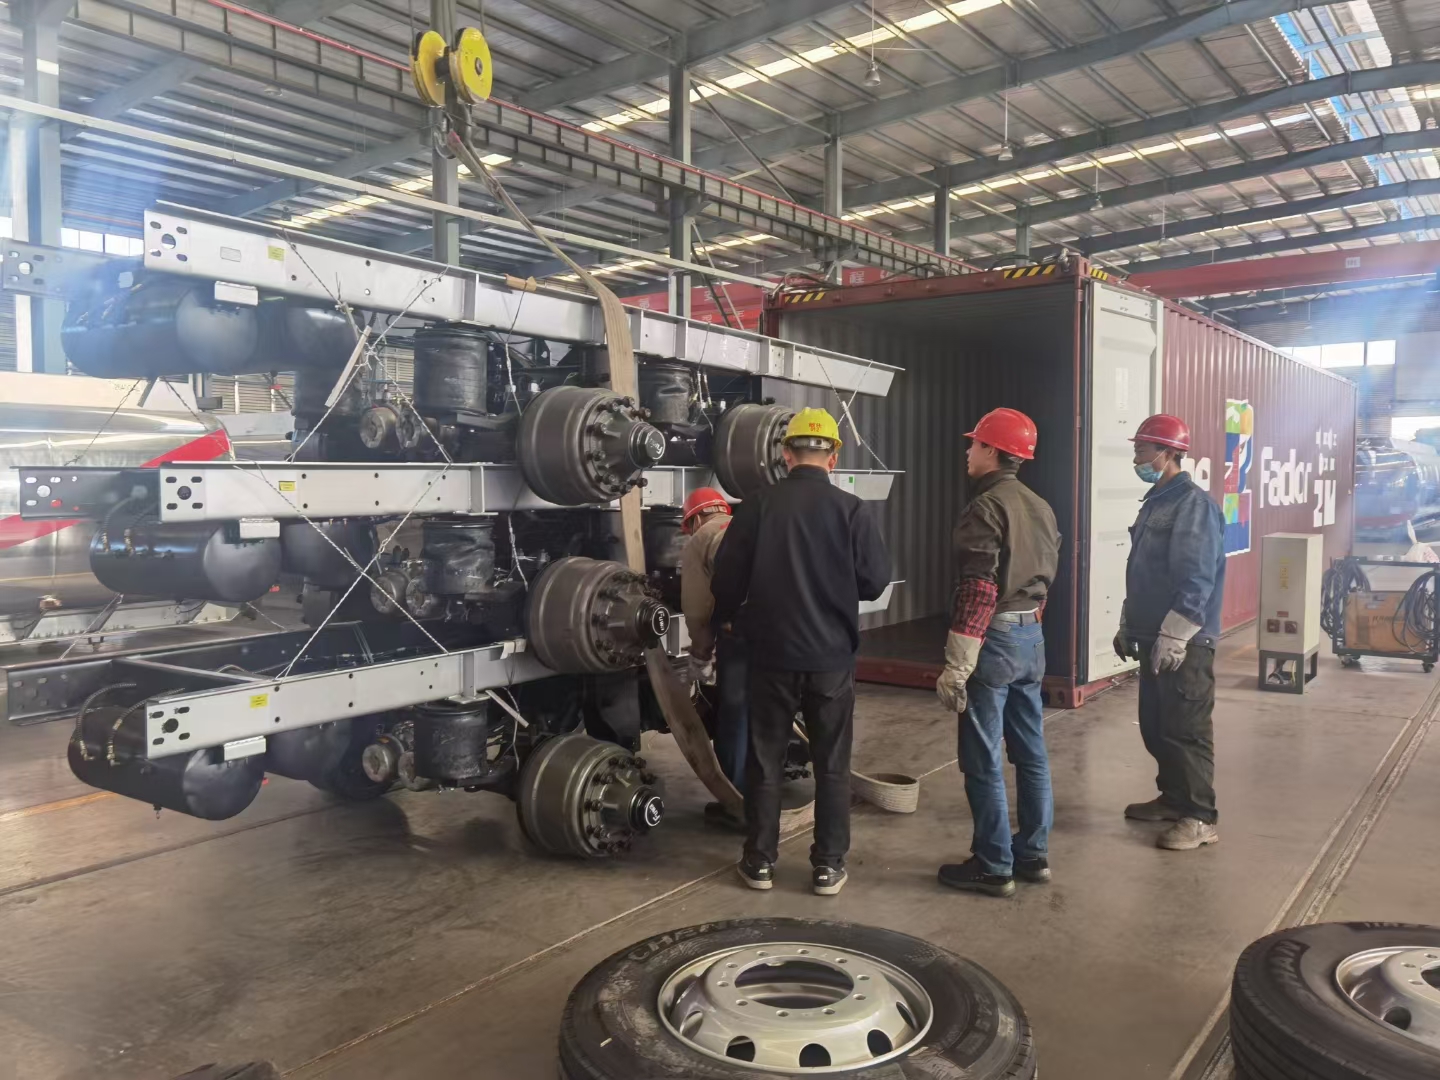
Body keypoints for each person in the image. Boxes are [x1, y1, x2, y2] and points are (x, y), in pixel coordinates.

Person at [711, 407, 891, 896]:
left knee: (765, 761)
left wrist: (727, 618)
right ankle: (828, 866)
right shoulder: (852, 510)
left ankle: (759, 862)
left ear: (786, 454)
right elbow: (875, 582)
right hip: (831, 659)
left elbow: (726, 580)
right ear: (833, 457)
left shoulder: (757, 506)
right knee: (832, 765)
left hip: (771, 655)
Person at [934, 408, 1061, 898]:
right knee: (1031, 751)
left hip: (996, 638)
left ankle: (993, 865)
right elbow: (1045, 579)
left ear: (993, 450)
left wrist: (958, 662)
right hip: (1032, 637)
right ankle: (1033, 854)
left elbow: (979, 587)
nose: (968, 451)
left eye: (975, 443)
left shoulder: (985, 508)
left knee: (982, 755)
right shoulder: (1040, 506)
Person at [1114, 413, 1225, 852]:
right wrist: (1129, 623)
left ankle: (1200, 817)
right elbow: (1142, 570)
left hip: (1185, 641)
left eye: (1142, 449)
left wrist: (1176, 634)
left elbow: (1196, 577)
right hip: (1151, 634)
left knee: (1185, 728)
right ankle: (1174, 798)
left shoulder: (1193, 505)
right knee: (1157, 725)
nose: (1137, 458)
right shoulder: (1155, 502)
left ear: (1167, 453)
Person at [677, 485, 747, 827]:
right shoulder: (748, 527)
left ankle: (736, 802)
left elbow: (697, 609)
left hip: (742, 633)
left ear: (696, 518)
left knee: (735, 713)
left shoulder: (701, 539)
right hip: (786, 632)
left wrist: (701, 655)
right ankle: (767, 793)